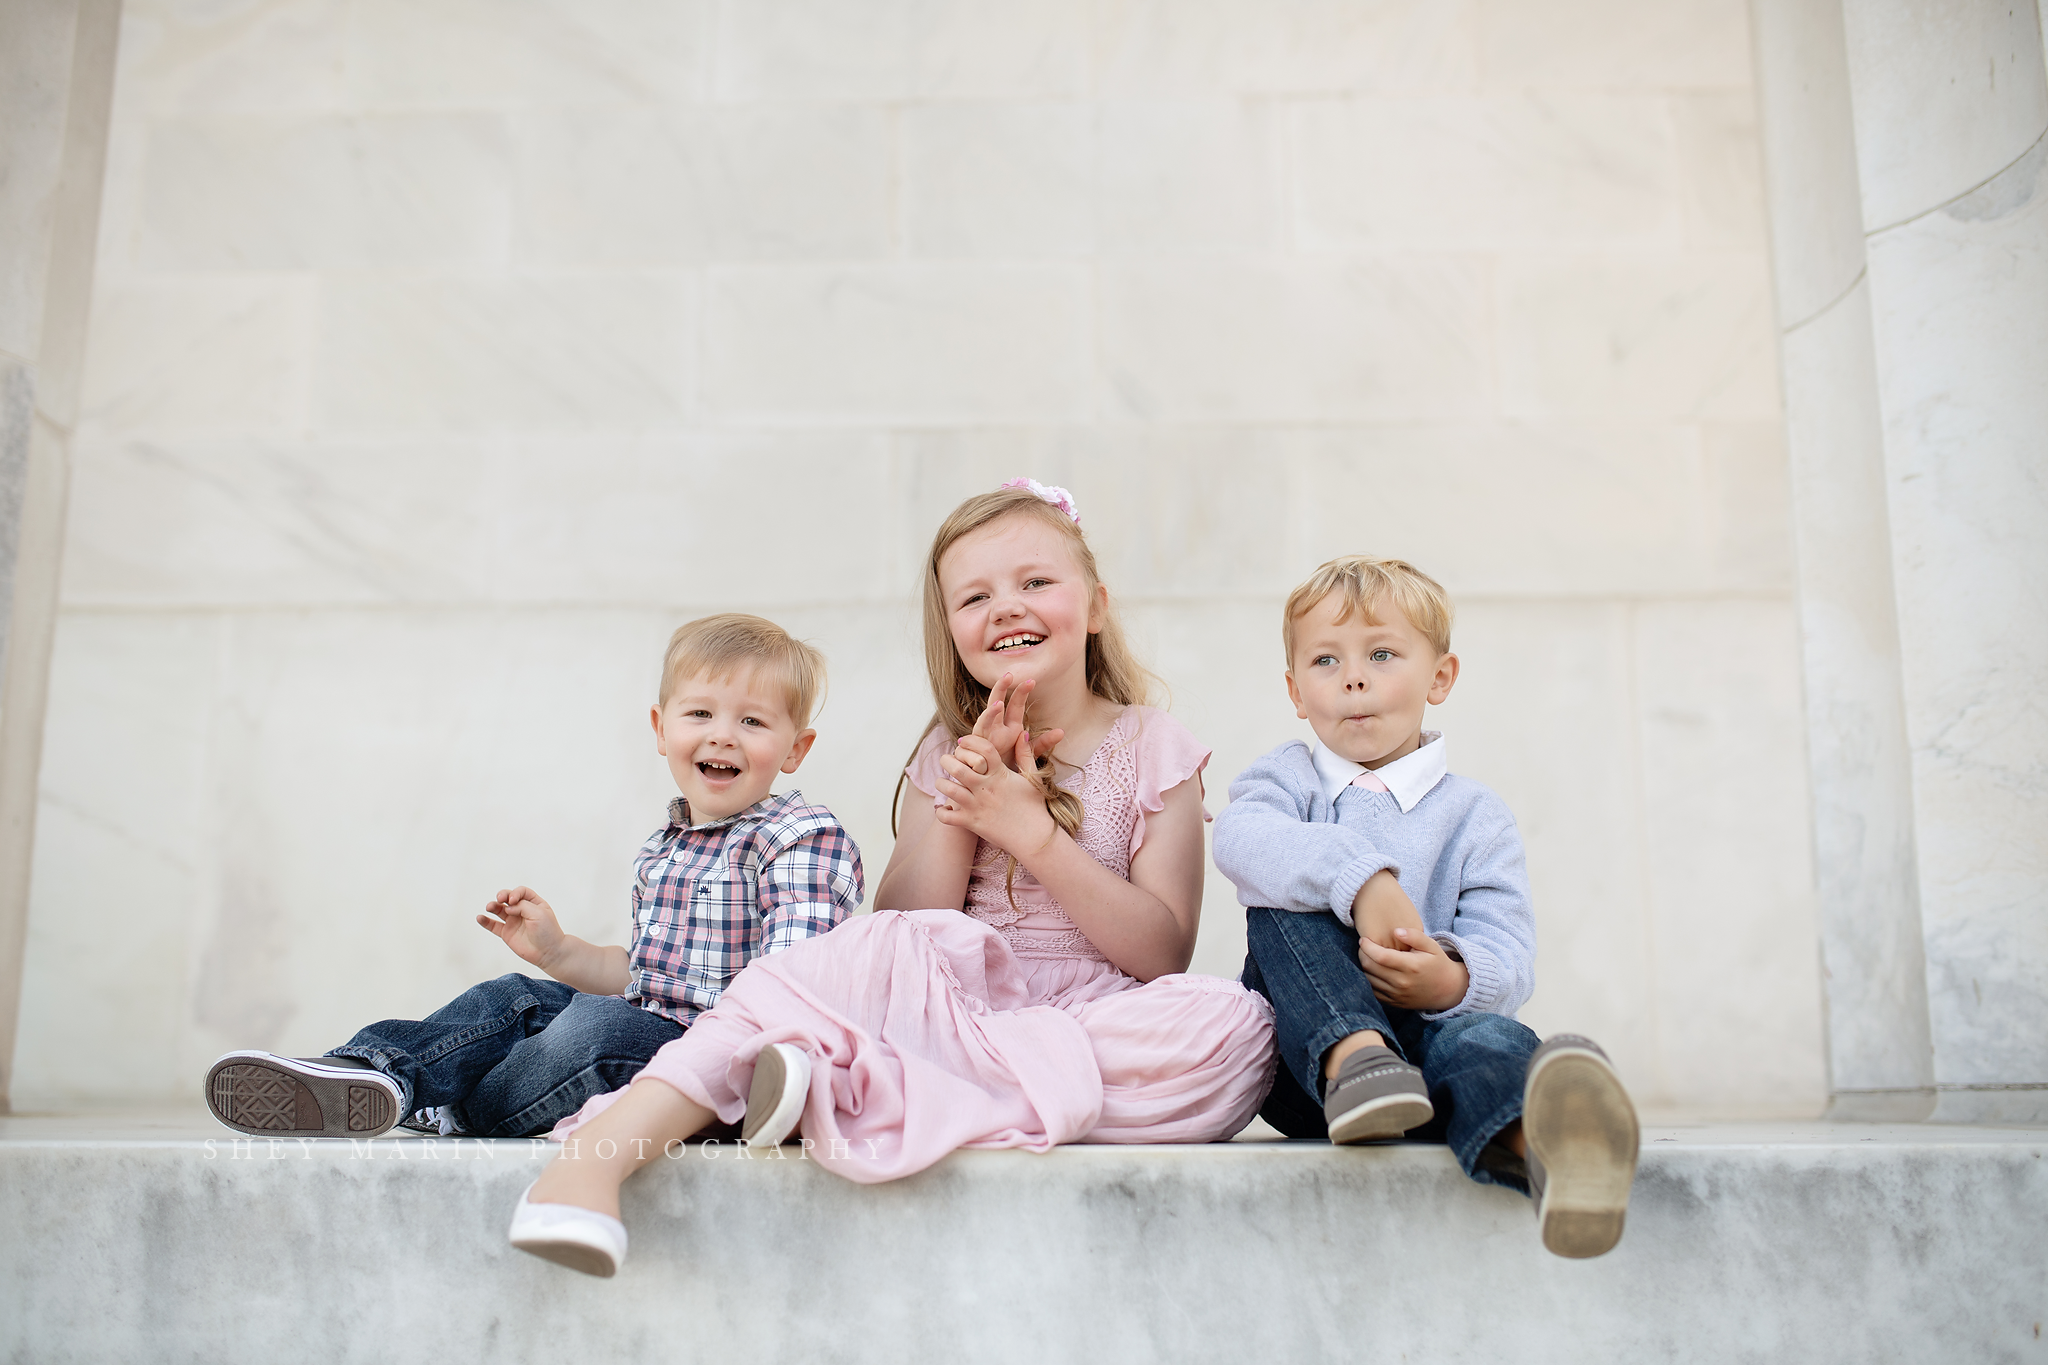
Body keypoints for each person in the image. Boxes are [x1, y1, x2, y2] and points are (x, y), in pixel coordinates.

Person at [508, 480, 1275, 1277]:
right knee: (865, 948)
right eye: (975, 596)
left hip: (1092, 1015)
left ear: (1096, 604)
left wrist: (1033, 834)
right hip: (948, 1001)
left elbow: (1161, 953)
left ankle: (858, 1091)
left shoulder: (1154, 744)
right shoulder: (945, 747)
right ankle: (592, 1163)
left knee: (1238, 1027)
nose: (1007, 606)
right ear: (952, 630)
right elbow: (905, 920)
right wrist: (966, 792)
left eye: (1036, 582)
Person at [203, 614, 862, 1144]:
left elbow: (793, 981)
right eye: (701, 714)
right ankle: (371, 1072)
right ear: (662, 730)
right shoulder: (667, 846)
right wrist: (559, 951)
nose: (724, 736)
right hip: (652, 1017)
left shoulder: (799, 837)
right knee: (514, 997)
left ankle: (458, 1107)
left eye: (752, 720)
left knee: (593, 1032)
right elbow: (639, 976)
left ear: (795, 748)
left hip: (714, 1058)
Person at [1211, 555, 1640, 1259]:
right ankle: (1360, 1058)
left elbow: (1507, 946)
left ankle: (1549, 1149)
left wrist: (1455, 980)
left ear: (1439, 676)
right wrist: (1363, 880)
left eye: (1382, 653)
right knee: (1280, 898)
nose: (1353, 676)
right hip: (1309, 1066)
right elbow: (1240, 839)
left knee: (1491, 1041)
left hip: (1430, 1044)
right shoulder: (1285, 781)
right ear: (1295, 690)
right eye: (1326, 659)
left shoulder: (1476, 815)